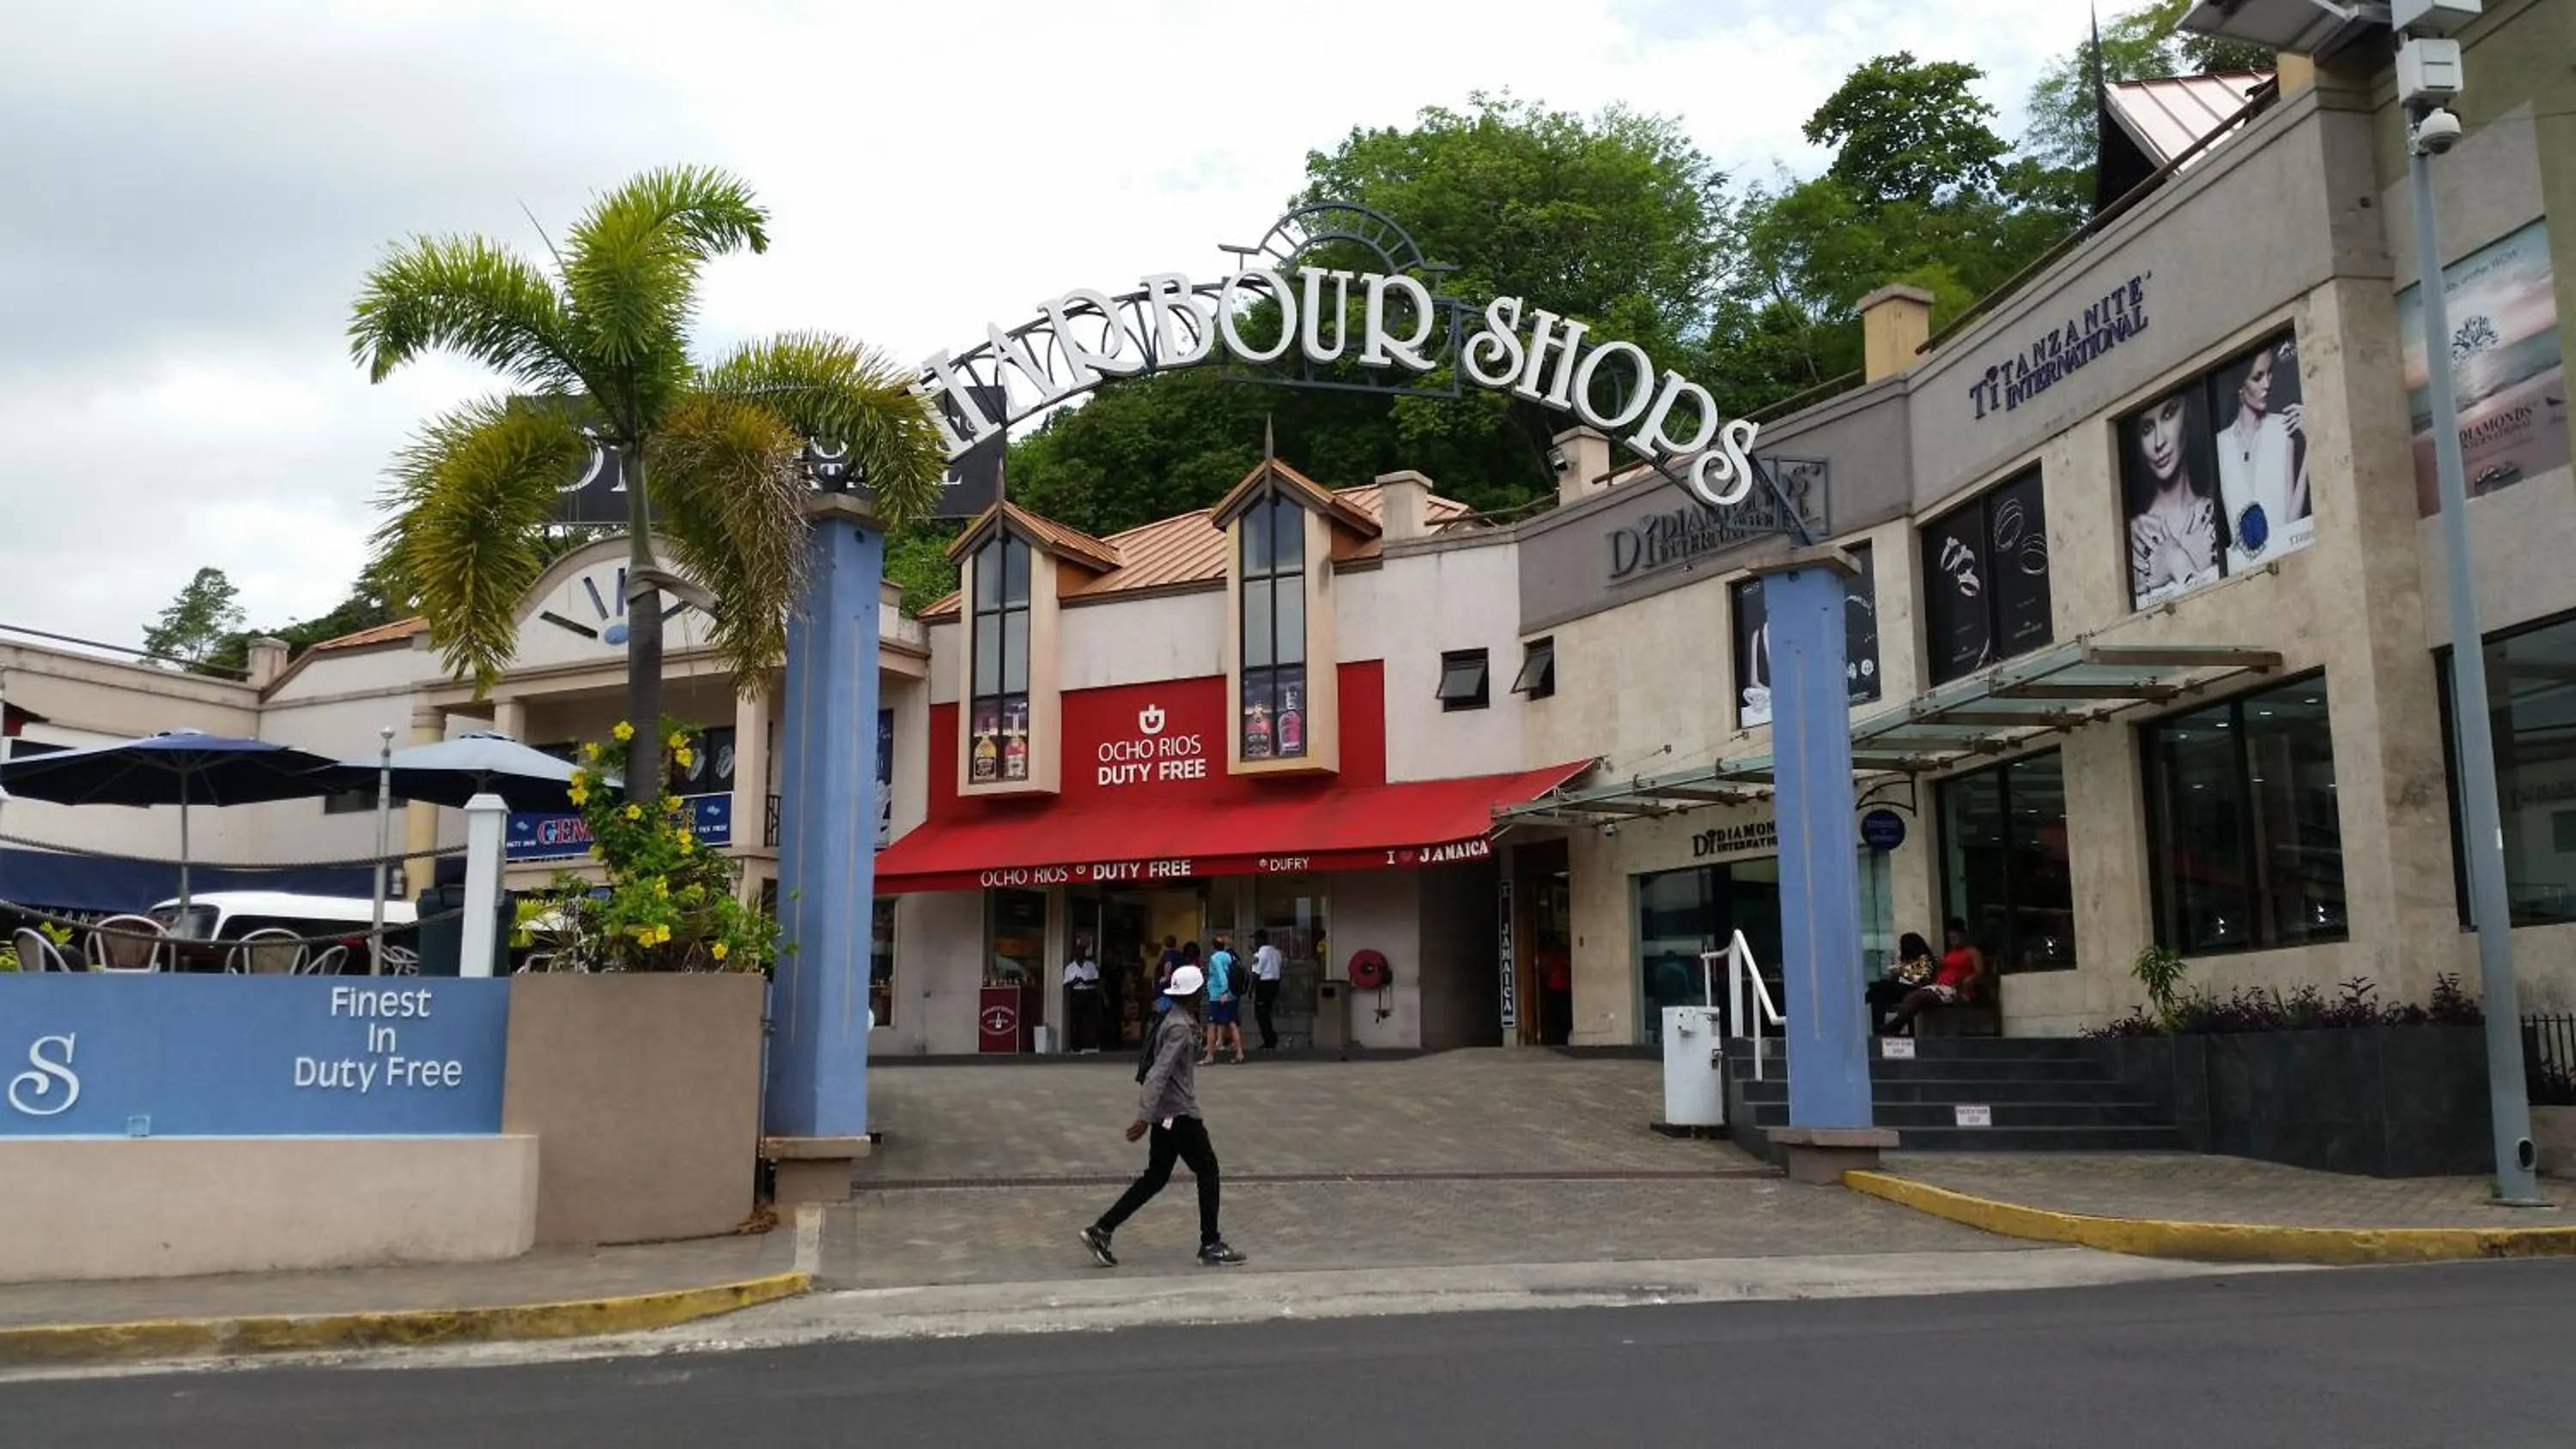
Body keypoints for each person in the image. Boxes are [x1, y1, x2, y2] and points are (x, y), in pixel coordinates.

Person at [1081, 964, 1246, 1269]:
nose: (1204, 994)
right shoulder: (1179, 1027)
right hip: (1179, 1114)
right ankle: (1210, 1242)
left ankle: (1102, 1229)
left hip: (1166, 1114)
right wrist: (1144, 1117)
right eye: (1202, 990)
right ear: (1194, 993)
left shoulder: (1174, 1019)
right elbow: (1159, 1072)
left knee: (1155, 1178)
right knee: (1208, 1170)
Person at [2215, 338, 2312, 572]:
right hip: (2243, 575)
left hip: (2288, 565)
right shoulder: (2221, 443)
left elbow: (2291, 519)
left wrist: (2312, 443)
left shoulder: (2282, 428)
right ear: (2241, 385)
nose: (2267, 384)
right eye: (2257, 377)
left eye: (2270, 373)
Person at [2125, 385, 2223, 606]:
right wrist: (2175, 559)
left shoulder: (2214, 515)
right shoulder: (2134, 539)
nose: (2159, 442)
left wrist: (2176, 562)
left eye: (2169, 414)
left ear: (2188, 412)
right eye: (2147, 429)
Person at [1888, 918, 1989, 1035]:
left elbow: (1980, 972)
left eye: (1956, 939)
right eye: (1951, 939)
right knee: (1912, 998)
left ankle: (1894, 1027)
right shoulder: (1950, 953)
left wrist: (1969, 979)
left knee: (1916, 997)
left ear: (1964, 936)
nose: (1954, 942)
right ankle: (1895, 1027)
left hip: (1954, 988)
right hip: (1939, 986)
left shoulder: (1973, 952)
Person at [1867, 933, 1937, 1036]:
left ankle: (1864, 1000)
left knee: (1880, 988)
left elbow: (1922, 980)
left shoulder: (1926, 960)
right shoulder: (1906, 960)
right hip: (1901, 988)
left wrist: (1902, 972)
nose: (1900, 948)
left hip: (1915, 989)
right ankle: (1879, 1029)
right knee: (1879, 993)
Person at [1203, 933, 1245, 1065]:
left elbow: (1222, 975)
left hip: (1218, 995)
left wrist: (1223, 992)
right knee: (1233, 1023)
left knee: (1211, 1024)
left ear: (1213, 947)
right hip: (1231, 995)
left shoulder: (1215, 958)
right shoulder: (1228, 956)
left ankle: (1209, 1056)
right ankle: (1239, 1053)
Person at [1063, 937, 1103, 1053]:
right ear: (1075, 954)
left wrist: (1087, 982)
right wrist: (1075, 981)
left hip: (1089, 993)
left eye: (1082, 953)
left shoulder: (1090, 965)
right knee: (1076, 1021)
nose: (1080, 955)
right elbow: (1066, 983)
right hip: (1077, 994)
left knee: (1091, 1021)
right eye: (1078, 953)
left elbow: (1097, 980)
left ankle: (1092, 1044)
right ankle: (1076, 1046)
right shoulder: (1070, 968)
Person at [1534, 934, 1573, 1046]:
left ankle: (1560, 1038)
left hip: (1557, 989)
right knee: (1560, 1017)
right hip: (1558, 990)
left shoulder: (1552, 956)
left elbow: (1543, 970)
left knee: (1558, 1016)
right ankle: (1561, 1038)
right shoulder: (1558, 956)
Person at [1249, 929, 1285, 1050]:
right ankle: (1271, 1039)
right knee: (1267, 1012)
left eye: (1255, 940)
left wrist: (1251, 989)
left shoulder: (1258, 954)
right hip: (1275, 984)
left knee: (1261, 1014)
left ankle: (1269, 1040)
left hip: (1263, 985)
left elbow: (1256, 974)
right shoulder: (1276, 952)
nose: (1255, 942)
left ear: (1260, 940)